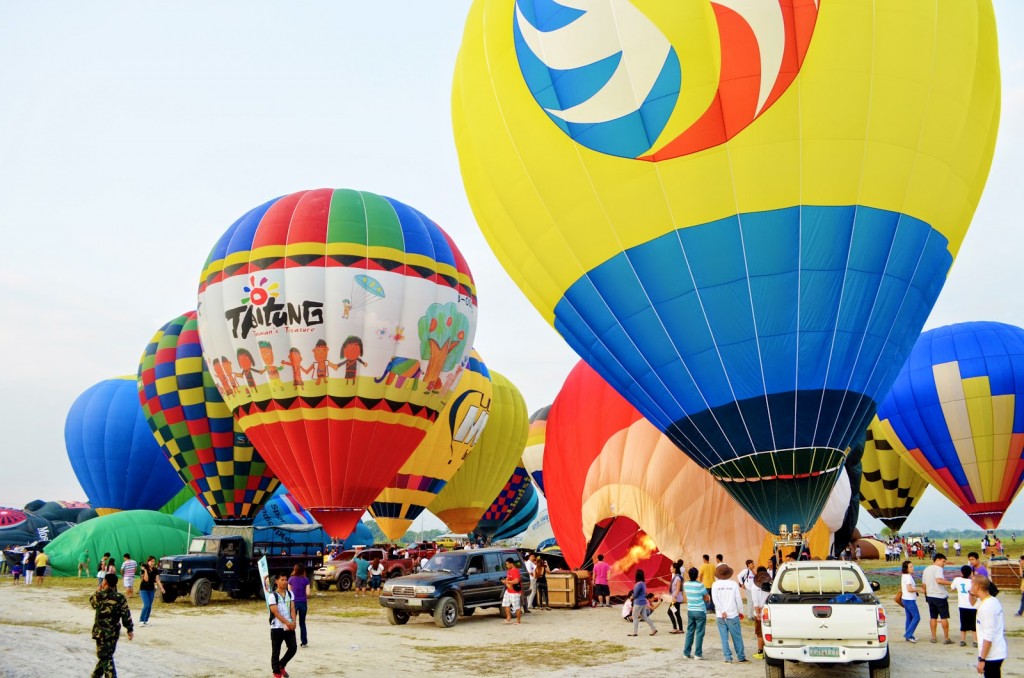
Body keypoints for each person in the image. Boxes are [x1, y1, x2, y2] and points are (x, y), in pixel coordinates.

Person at [90, 572, 134, 678]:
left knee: (105, 656)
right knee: (106, 656)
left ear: (105, 581)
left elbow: (92, 602)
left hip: (100, 632)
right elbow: (126, 614)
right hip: (113, 632)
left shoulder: (99, 595)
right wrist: (129, 629)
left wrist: (99, 589)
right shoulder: (120, 597)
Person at [711, 564, 746, 663]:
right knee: (737, 636)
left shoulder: (715, 584)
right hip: (733, 614)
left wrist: (722, 611)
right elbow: (738, 599)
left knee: (724, 637)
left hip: (720, 615)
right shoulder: (733, 584)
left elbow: (715, 600)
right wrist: (740, 611)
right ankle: (741, 656)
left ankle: (728, 657)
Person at [973, 575, 1007, 677]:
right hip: (995, 652)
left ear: (977, 586)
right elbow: (973, 603)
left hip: (992, 654)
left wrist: (982, 659)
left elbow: (988, 635)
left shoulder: (987, 607)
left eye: (971, 585)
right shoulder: (990, 600)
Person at [269, 573, 297, 678]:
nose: (285, 582)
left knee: (293, 648)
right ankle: (276, 673)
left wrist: (294, 622)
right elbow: (276, 613)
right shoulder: (273, 596)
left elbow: (292, 608)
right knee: (276, 651)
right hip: (277, 628)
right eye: (282, 580)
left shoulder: (290, 594)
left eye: (286, 579)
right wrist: (287, 622)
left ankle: (282, 664)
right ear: (276, 581)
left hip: (289, 627)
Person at [922, 552, 953, 644]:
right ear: (938, 560)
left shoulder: (926, 569)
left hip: (930, 595)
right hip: (939, 595)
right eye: (943, 561)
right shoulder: (938, 569)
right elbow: (939, 580)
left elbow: (924, 585)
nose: (944, 564)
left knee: (933, 617)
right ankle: (946, 638)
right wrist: (952, 583)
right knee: (944, 617)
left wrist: (926, 595)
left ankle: (933, 637)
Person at [682, 566, 708, 659]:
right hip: (700, 610)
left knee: (690, 632)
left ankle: (686, 653)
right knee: (700, 633)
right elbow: (707, 598)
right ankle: (697, 654)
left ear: (689, 575)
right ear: (697, 575)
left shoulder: (685, 584)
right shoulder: (700, 585)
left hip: (690, 610)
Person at [950, 564, 978, 647]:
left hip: (962, 605)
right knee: (973, 624)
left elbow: (952, 588)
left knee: (963, 623)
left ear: (961, 572)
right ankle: (975, 641)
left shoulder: (957, 580)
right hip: (972, 605)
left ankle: (962, 640)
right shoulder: (971, 582)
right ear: (970, 573)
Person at [627, 569, 657, 636]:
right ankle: (654, 628)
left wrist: (632, 597)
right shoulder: (643, 583)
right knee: (645, 617)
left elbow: (635, 595)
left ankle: (634, 632)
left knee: (634, 617)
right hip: (643, 602)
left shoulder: (638, 584)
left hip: (638, 602)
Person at [138, 556, 164, 627]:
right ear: (148, 561)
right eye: (151, 561)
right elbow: (146, 579)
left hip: (151, 590)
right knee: (146, 605)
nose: (152, 563)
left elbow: (157, 580)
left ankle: (145, 621)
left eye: (153, 561)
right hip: (143, 590)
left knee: (149, 606)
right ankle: (141, 620)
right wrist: (146, 570)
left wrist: (162, 588)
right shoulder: (144, 568)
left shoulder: (155, 570)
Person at [751, 568, 771, 660]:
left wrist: (758, 613)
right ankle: (769, 652)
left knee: (760, 634)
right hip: (768, 611)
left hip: (759, 613)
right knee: (769, 632)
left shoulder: (754, 587)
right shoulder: (769, 585)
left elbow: (755, 602)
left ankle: (760, 652)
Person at [288, 564, 311, 647]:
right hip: (303, 603)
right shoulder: (306, 580)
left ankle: (290, 642)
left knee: (291, 622)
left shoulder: (290, 579)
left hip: (293, 603)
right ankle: (304, 642)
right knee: (302, 623)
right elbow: (308, 593)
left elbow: (289, 593)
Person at [901, 560, 922, 642]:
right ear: (906, 568)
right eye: (911, 567)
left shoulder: (904, 576)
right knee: (917, 617)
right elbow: (909, 589)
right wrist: (918, 589)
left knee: (909, 617)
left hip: (905, 598)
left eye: (912, 566)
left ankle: (909, 636)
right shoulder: (908, 577)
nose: (913, 568)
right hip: (909, 599)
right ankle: (908, 634)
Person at [500, 557, 523, 624]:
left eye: (507, 564)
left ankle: (518, 621)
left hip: (515, 591)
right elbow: (507, 579)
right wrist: (507, 584)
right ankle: (508, 618)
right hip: (509, 590)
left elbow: (516, 581)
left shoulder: (515, 571)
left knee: (516, 606)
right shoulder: (509, 571)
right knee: (506, 604)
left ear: (511, 563)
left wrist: (507, 582)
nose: (507, 566)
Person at [667, 560, 684, 634]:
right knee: (676, 613)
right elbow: (671, 585)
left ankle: (675, 628)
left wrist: (674, 597)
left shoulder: (677, 578)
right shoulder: (675, 577)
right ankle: (680, 629)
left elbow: (678, 589)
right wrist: (662, 580)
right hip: (676, 598)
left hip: (676, 599)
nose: (670, 568)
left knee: (670, 612)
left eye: (671, 567)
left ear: (674, 569)